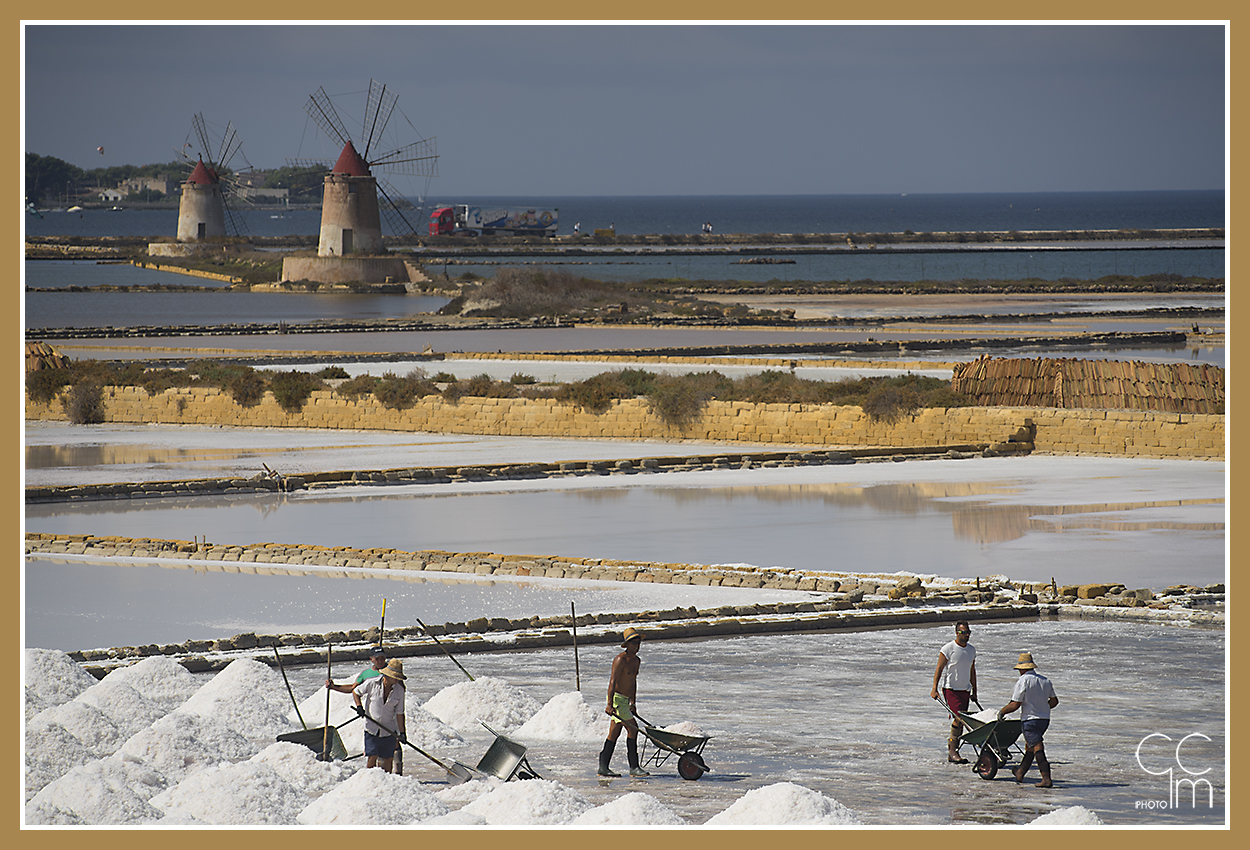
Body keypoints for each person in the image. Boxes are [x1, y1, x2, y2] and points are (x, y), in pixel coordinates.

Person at [999, 652, 1059, 787]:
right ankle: (1020, 772)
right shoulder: (1045, 680)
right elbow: (1054, 701)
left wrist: (1002, 711)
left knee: (1037, 746)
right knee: (1030, 746)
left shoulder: (1023, 681)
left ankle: (1046, 778)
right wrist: (1042, 707)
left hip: (1030, 720)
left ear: (1022, 668)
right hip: (1044, 720)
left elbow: (1015, 704)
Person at [598, 626, 648, 777]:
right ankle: (634, 767)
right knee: (633, 729)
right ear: (627, 645)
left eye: (638, 643)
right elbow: (612, 682)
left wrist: (633, 702)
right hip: (617, 699)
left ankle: (603, 766)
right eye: (634, 644)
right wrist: (609, 704)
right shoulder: (620, 659)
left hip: (625, 701)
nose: (637, 646)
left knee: (614, 732)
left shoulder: (636, 661)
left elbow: (633, 682)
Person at [930, 620, 977, 763]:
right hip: (951, 689)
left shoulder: (971, 650)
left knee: (962, 721)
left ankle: (954, 751)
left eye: (968, 632)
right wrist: (934, 688)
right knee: (958, 719)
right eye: (964, 632)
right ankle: (952, 751)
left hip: (965, 689)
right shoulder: (948, 648)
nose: (967, 635)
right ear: (957, 633)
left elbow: (972, 670)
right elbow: (939, 668)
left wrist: (975, 690)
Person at [353, 658, 407, 774]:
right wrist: (359, 707)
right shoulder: (372, 683)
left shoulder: (399, 691)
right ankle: (370, 781)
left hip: (389, 730)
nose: (397, 680)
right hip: (372, 729)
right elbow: (356, 692)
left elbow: (400, 713)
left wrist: (402, 733)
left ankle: (386, 784)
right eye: (395, 677)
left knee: (388, 759)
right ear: (387, 675)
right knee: (372, 756)